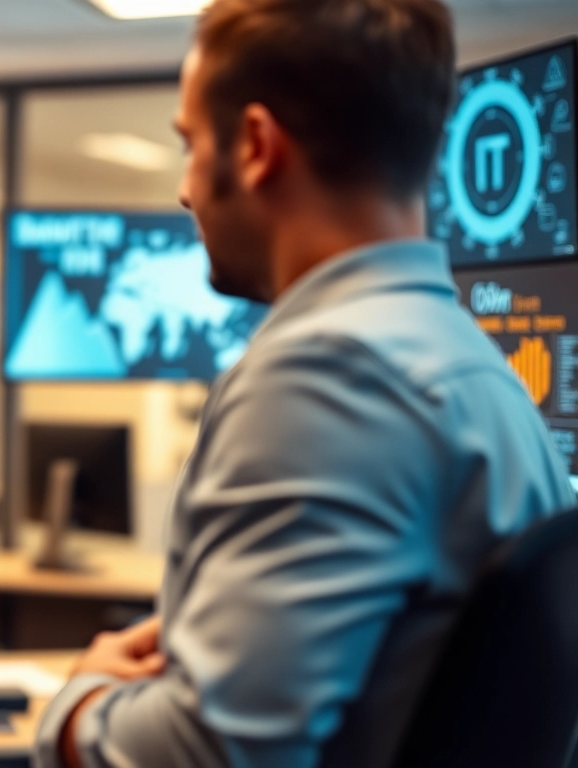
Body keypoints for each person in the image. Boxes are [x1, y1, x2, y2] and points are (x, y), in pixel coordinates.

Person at [35, 1, 577, 766]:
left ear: (255, 145)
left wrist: (79, 705)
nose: (186, 191)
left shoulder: (325, 377)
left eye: (190, 145)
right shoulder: (471, 368)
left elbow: (209, 755)